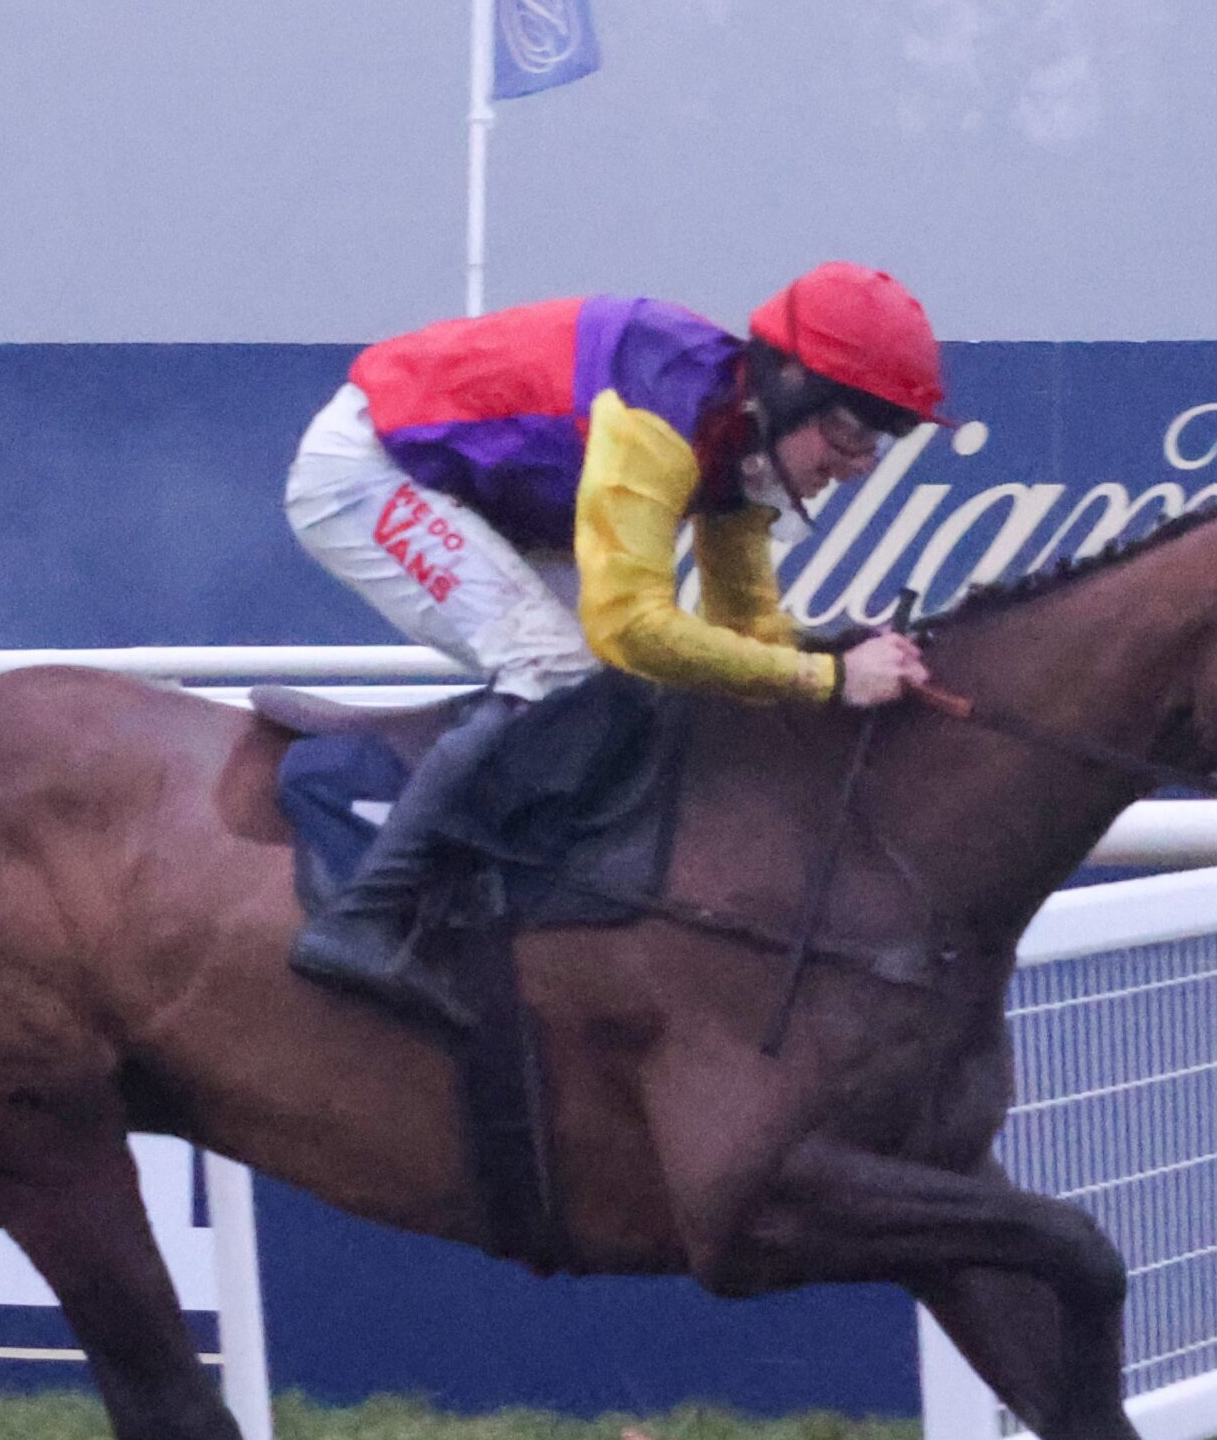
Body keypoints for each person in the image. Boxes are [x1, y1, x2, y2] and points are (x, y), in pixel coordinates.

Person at [283, 262, 944, 1025]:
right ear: (792, 382)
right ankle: (363, 913)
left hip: (478, 490)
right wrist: (829, 681)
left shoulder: (745, 433)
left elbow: (747, 633)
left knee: (601, 685)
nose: (859, 467)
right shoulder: (660, 413)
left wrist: (831, 659)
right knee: (560, 663)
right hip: (369, 470)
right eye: (854, 432)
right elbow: (630, 628)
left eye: (881, 445)